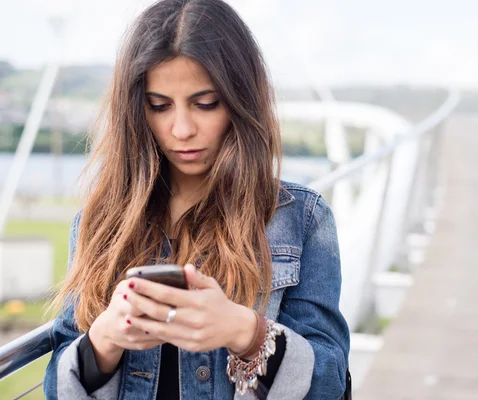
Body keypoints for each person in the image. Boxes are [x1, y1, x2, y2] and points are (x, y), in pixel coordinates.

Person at [42, 0, 350, 399]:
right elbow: (57, 385)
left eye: (206, 104)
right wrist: (105, 339)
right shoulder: (99, 223)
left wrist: (246, 332)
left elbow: (331, 382)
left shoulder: (301, 219)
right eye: (159, 106)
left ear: (241, 101)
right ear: (137, 110)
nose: (182, 129)